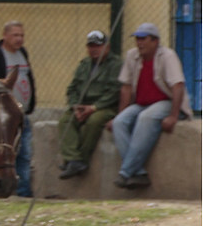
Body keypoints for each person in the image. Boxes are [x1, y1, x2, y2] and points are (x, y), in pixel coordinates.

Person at [110, 23, 187, 189]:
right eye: (137, 39)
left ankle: (125, 173)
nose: (139, 43)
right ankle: (139, 173)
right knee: (119, 122)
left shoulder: (167, 56)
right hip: (141, 103)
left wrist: (173, 115)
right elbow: (126, 87)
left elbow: (178, 86)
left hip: (166, 101)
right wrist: (120, 113)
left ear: (155, 41)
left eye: (143, 39)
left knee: (146, 118)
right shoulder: (132, 56)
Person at [0, 20, 37, 197]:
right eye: (15, 35)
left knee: (24, 154)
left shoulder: (22, 54)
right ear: (5, 36)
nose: (19, 39)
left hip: (20, 116)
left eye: (22, 35)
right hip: (1, 119)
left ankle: (22, 192)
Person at [57, 30, 121, 179]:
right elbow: (72, 88)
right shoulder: (84, 65)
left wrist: (93, 108)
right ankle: (73, 159)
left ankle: (81, 160)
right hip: (82, 105)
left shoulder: (116, 65)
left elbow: (114, 92)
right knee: (65, 121)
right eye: (91, 46)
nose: (94, 49)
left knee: (94, 121)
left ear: (107, 46)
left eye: (98, 46)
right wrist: (75, 106)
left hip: (105, 106)